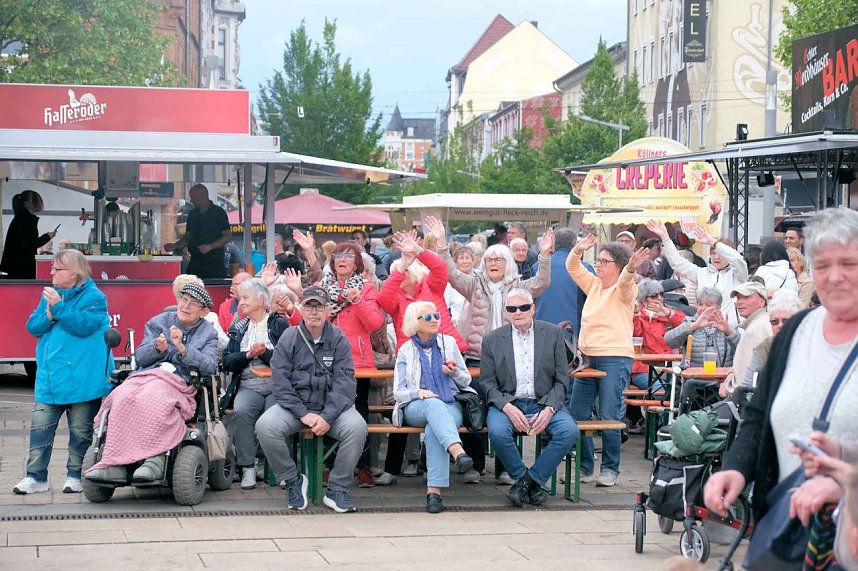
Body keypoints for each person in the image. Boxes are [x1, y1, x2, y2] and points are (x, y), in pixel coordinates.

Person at [704, 208, 858, 561]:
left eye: (848, 264)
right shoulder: (795, 332)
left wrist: (844, 484)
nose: (835, 277)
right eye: (823, 265)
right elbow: (759, 413)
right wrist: (736, 468)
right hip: (790, 535)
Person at [428, 215, 554, 485]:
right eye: (488, 260)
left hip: (510, 360)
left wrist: (544, 255)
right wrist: (441, 244)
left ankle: (505, 469)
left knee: (508, 410)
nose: (492, 264)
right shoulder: (474, 284)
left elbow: (542, 282)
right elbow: (450, 274)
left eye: (498, 260)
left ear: (508, 263)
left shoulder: (519, 287)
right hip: (475, 357)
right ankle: (474, 463)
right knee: (475, 409)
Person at [84, 283, 219, 483]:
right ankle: (114, 462)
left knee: (155, 399)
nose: (186, 305)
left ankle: (154, 459)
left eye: (194, 303)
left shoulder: (208, 333)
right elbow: (140, 357)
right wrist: (157, 348)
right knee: (122, 396)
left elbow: (209, 366)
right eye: (184, 300)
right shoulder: (158, 322)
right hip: (147, 375)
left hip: (178, 381)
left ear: (204, 311)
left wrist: (182, 348)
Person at [255, 286, 368, 513]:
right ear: (301, 309)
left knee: (357, 427)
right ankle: (292, 480)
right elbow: (280, 382)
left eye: (319, 307)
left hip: (332, 410)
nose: (314, 312)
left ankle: (337, 489)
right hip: (296, 408)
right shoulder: (289, 337)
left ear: (327, 310)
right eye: (309, 306)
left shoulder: (339, 340)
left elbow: (345, 384)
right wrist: (302, 413)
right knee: (265, 426)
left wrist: (326, 417)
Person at [14, 250, 113, 495]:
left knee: (80, 433)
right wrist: (49, 313)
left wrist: (57, 308)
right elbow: (33, 327)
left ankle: (74, 476)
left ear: (74, 272)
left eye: (57, 269)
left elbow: (82, 326)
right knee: (39, 430)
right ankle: (36, 477)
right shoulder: (49, 295)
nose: (51, 273)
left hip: (83, 378)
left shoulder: (95, 297)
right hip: (50, 377)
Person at [482, 289, 577, 507]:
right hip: (509, 401)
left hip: (544, 401)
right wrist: (506, 406)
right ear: (506, 313)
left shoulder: (553, 334)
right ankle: (525, 479)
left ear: (533, 308)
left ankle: (530, 481)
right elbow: (487, 384)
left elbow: (562, 380)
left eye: (523, 307)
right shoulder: (492, 340)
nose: (518, 312)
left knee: (568, 431)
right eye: (512, 309)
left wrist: (550, 409)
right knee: (497, 431)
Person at [566, 234, 648, 487]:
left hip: (614, 356)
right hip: (587, 358)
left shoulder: (626, 289)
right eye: (598, 260)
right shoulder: (594, 285)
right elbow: (572, 267)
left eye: (604, 261)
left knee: (610, 414)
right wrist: (578, 249)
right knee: (577, 413)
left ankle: (611, 469)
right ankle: (586, 466)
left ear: (618, 265)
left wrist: (632, 267)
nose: (598, 265)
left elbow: (625, 282)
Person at [392, 301, 475, 513]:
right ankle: (457, 451)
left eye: (436, 316)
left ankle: (434, 494)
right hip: (416, 407)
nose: (434, 320)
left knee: (434, 429)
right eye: (428, 318)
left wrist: (454, 372)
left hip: (450, 405)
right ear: (414, 322)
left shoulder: (449, 343)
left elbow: (466, 381)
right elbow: (398, 391)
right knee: (432, 404)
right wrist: (416, 392)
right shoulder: (406, 350)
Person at [221, 278, 290, 489]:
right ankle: (248, 468)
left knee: (273, 418)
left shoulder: (278, 324)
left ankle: (281, 470)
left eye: (245, 298)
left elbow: (287, 360)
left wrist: (266, 353)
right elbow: (227, 361)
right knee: (241, 412)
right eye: (240, 298)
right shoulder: (239, 327)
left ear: (260, 300)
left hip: (276, 386)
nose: (240, 302)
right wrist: (248, 355)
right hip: (249, 385)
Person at [647, 219, 748, 327]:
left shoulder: (738, 275)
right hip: (704, 330)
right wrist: (665, 237)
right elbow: (677, 263)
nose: (716, 257)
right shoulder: (702, 273)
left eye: (720, 253)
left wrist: (712, 242)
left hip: (730, 331)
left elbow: (737, 259)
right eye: (713, 253)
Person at [164, 184, 231, 279]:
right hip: (195, 262)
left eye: (193, 197)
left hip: (214, 263)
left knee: (214, 289)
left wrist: (210, 246)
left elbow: (227, 236)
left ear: (203, 196)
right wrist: (175, 245)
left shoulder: (218, 213)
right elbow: (188, 237)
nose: (191, 201)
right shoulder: (193, 214)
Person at [630, 279, 686, 390]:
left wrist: (667, 313)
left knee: (687, 389)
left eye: (661, 294)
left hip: (673, 369)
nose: (659, 298)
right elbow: (636, 334)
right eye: (654, 296)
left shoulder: (669, 313)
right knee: (665, 390)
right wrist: (636, 314)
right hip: (645, 370)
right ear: (643, 300)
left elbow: (688, 326)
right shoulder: (637, 317)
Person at [741, 289, 804, 388]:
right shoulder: (763, 349)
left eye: (786, 321)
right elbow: (748, 387)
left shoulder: (810, 345)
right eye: (774, 322)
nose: (780, 325)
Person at [664, 286, 741, 368]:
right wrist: (694, 326)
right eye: (700, 304)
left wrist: (728, 332)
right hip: (693, 378)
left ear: (719, 307)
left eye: (708, 305)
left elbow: (743, 351)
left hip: (722, 378)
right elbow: (669, 341)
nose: (703, 308)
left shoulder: (727, 326)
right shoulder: (689, 322)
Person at [533, 228, 592, 332]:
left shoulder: (537, 266)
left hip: (541, 330)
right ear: (575, 245)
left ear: (553, 244)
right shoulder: (584, 268)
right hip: (572, 332)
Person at [721, 280, 772, 397]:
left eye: (747, 297)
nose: (740, 302)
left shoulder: (756, 329)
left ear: (762, 301)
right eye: (738, 298)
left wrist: (728, 390)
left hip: (745, 401)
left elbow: (747, 376)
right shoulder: (763, 322)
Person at [1, 190, 56, 279]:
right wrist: (47, 237)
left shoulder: (22, 218)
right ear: (27, 203)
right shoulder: (25, 220)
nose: (38, 202)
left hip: (18, 266)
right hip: (21, 267)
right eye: (34, 199)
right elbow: (29, 244)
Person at [444, 244, 478, 327]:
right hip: (458, 325)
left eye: (467, 258)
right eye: (461, 258)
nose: (465, 261)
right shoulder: (450, 283)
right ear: (455, 262)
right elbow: (445, 306)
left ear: (473, 261)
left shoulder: (480, 277)